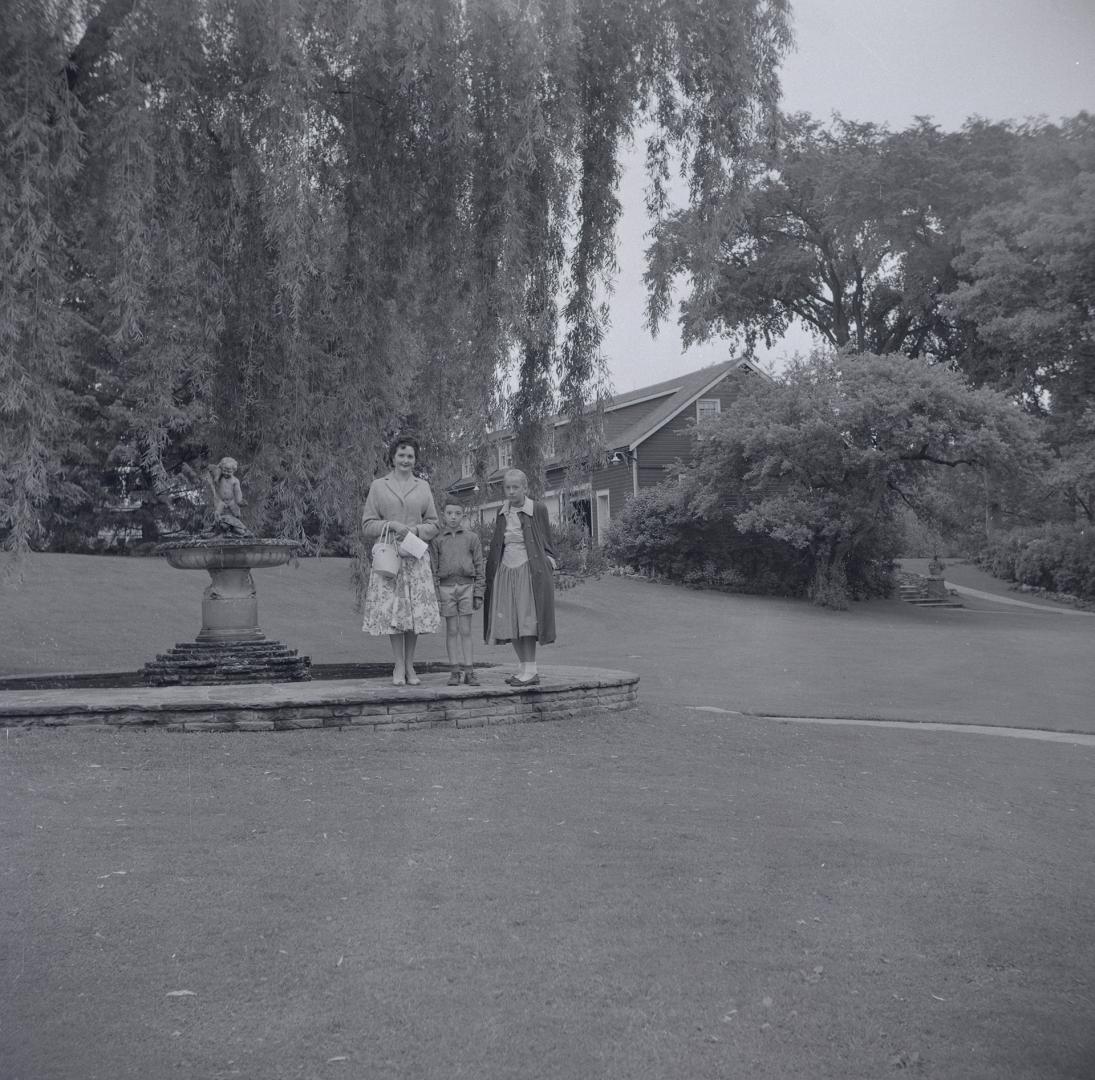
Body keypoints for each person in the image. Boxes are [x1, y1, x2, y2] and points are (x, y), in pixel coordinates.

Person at [361, 436, 441, 685]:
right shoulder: (379, 486)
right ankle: (398, 666)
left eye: (410, 456)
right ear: (393, 457)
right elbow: (367, 524)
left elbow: (434, 524)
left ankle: (410, 666)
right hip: (390, 558)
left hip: (415, 556)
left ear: (415, 460)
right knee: (395, 614)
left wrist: (415, 531)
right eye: (401, 455)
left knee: (413, 614)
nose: (406, 460)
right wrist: (391, 525)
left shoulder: (423, 487)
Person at [484, 468, 558, 686]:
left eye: (516, 487)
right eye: (507, 487)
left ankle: (532, 669)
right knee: (511, 621)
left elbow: (546, 541)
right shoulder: (501, 512)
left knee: (527, 621)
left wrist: (549, 560)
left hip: (528, 568)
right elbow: (500, 542)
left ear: (525, 488)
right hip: (505, 568)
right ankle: (523, 668)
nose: (511, 491)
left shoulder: (537, 509)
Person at [431, 498, 486, 685]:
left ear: (463, 515)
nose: (453, 517)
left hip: (466, 588)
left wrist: (478, 592)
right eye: (449, 513)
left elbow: (479, 566)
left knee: (466, 630)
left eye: (457, 513)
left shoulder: (472, 538)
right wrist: (436, 596)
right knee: (451, 630)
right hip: (445, 588)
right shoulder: (437, 539)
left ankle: (469, 671)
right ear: (443, 515)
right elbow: (433, 568)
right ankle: (454, 671)